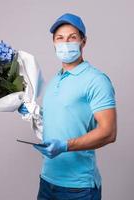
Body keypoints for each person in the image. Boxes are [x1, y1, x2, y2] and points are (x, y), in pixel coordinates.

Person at [18, 13, 117, 200]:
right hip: (47, 181)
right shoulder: (55, 79)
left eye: (72, 37)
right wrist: (32, 113)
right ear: (54, 43)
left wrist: (65, 146)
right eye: (60, 38)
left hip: (78, 188)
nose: (65, 43)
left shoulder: (96, 80)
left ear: (83, 41)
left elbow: (109, 132)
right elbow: (58, 120)